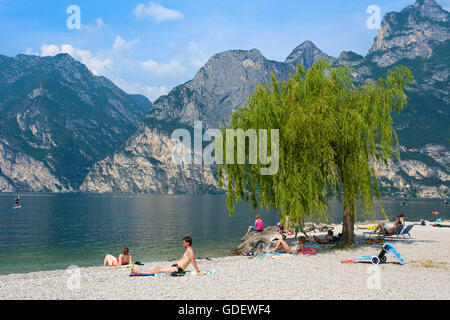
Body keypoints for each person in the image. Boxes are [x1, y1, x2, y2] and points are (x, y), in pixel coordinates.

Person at [131, 236, 201, 275]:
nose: (183, 244)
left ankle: (138, 272)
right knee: (158, 268)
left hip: (177, 269)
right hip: (175, 265)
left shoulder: (190, 251)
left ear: (188, 243)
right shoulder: (188, 250)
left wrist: (197, 271)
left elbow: (193, 260)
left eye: (183, 243)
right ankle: (138, 271)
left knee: (158, 270)